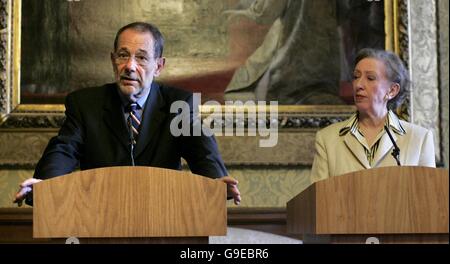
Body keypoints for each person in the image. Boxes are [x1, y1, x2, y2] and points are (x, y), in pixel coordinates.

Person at [14, 22, 241, 206]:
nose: (130, 66)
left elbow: (201, 150)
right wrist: (45, 184)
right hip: (99, 217)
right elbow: (63, 149)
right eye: (123, 55)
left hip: (163, 217)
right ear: (113, 60)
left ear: (159, 66)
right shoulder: (85, 104)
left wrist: (216, 182)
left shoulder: (178, 103)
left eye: (141, 58)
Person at [310, 48, 436, 183]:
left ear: (392, 90)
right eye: (356, 77)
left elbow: (427, 199)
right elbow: (318, 199)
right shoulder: (327, 139)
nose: (358, 85)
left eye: (370, 78)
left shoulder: (419, 139)